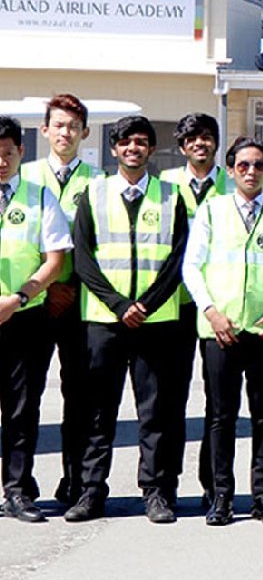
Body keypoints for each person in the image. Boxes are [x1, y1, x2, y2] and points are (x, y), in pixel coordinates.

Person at [181, 138, 263, 526]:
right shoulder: (213, 210)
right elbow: (192, 267)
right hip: (222, 329)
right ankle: (221, 496)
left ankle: (261, 496)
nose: (251, 172)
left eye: (258, 165)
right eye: (243, 166)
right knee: (221, 416)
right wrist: (210, 310)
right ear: (232, 169)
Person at [67, 115, 189, 523]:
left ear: (151, 149)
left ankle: (156, 491)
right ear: (114, 149)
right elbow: (82, 259)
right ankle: (89, 490)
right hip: (104, 321)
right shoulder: (93, 194)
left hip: (157, 324)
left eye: (141, 142)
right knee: (97, 410)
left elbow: (178, 259)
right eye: (125, 142)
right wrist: (120, 304)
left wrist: (147, 305)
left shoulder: (171, 196)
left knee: (156, 412)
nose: (133, 148)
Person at [19, 94, 101, 507]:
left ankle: (75, 482)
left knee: (80, 397)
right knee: (26, 396)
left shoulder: (98, 180)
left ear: (85, 133)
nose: (65, 132)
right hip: (32, 303)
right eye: (58, 125)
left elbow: (99, 247)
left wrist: (70, 286)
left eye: (74, 126)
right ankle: (22, 482)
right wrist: (45, 287)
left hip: (80, 303)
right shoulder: (26, 177)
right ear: (44, 130)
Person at [0, 116, 73, 523]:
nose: (1, 161)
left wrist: (17, 298)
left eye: (8, 153)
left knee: (21, 409)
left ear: (21, 152)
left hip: (24, 317)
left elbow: (55, 261)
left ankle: (17, 490)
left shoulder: (40, 197)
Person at [160, 112, 230, 507]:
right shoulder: (165, 186)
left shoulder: (231, 183)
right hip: (173, 306)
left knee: (218, 402)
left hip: (218, 307)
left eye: (206, 137)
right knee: (171, 399)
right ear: (182, 146)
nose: (200, 144)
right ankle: (167, 483)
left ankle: (212, 483)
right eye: (192, 139)